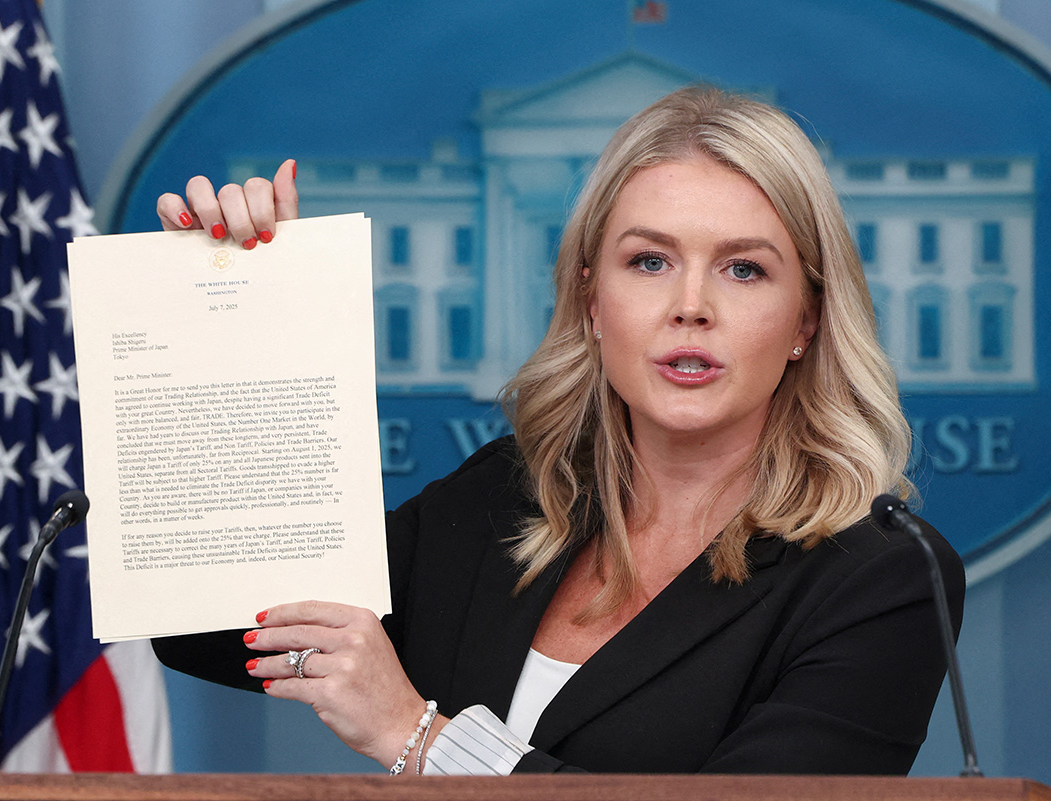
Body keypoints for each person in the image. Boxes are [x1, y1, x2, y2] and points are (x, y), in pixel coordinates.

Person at [151, 86, 964, 775]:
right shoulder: (506, 497)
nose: (691, 305)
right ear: (591, 301)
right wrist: (242, 321)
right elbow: (205, 623)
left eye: (743, 268)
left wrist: (420, 737)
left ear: (806, 321)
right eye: (649, 261)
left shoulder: (882, 577)